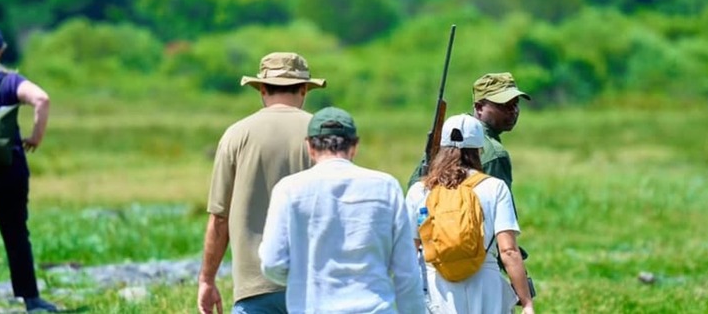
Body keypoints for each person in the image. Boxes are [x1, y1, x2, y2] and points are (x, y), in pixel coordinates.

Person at [258, 107, 424, 313]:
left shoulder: (289, 189)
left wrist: (302, 277)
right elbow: (407, 272)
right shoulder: (386, 187)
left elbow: (272, 263)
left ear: (309, 146)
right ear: (354, 146)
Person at [197, 52, 326, 314]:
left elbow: (219, 218)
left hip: (253, 287)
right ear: (304, 90)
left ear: (262, 89)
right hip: (314, 284)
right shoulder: (322, 132)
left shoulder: (236, 135)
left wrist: (207, 280)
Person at [405, 114, 535, 314]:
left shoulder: (419, 191)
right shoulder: (495, 187)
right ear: (479, 149)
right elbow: (508, 251)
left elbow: (409, 252)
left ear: (440, 148)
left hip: (437, 287)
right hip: (485, 285)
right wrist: (526, 302)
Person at [0, 26, 58, 313]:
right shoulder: (10, 82)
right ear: (1, 51)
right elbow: (42, 99)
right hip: (9, 172)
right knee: (16, 235)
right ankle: (31, 299)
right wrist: (35, 137)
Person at [408, 72, 531, 193]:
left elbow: (413, 189)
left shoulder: (446, 137)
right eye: (504, 105)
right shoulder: (495, 154)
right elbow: (498, 207)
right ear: (479, 108)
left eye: (515, 104)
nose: (513, 111)